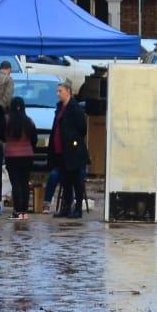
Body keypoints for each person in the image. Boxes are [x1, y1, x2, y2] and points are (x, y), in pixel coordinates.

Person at [49, 80, 89, 219]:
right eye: (57, 91)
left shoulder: (75, 108)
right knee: (65, 180)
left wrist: (73, 140)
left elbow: (82, 128)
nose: (58, 94)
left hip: (73, 151)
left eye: (60, 91)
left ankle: (77, 208)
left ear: (68, 91)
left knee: (76, 180)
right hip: (60, 151)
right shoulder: (60, 107)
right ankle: (66, 206)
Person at [3, 95, 38, 220]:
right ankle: (24, 211)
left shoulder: (7, 120)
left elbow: (2, 136)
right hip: (27, 156)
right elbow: (35, 139)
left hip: (12, 156)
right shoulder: (29, 121)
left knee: (16, 184)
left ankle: (17, 211)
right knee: (24, 183)